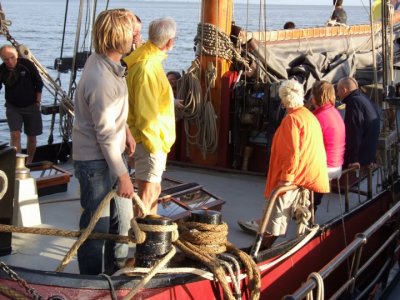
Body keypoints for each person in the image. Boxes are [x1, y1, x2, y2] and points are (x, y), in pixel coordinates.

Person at [72, 8, 136, 275]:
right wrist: (122, 175)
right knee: (96, 226)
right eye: (134, 32)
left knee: (122, 221)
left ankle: (115, 271)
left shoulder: (104, 64)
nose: (138, 37)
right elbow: (105, 134)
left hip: (110, 157)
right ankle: (89, 280)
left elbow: (112, 118)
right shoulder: (100, 79)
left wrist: (128, 132)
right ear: (120, 37)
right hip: (96, 163)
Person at [239, 79, 330, 249]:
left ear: (283, 99)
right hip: (304, 175)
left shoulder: (292, 120)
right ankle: (262, 247)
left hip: (291, 178)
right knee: (276, 219)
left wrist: (286, 180)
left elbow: (292, 153)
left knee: (275, 219)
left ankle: (259, 251)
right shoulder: (307, 116)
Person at [124, 17, 177, 216]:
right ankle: (143, 241)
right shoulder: (147, 67)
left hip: (153, 141)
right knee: (146, 195)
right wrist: (156, 147)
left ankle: (148, 236)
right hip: (150, 142)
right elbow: (147, 115)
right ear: (170, 42)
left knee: (153, 191)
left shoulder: (149, 61)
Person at [0, 45, 43, 164]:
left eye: (11, 57)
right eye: (5, 59)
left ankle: (28, 162)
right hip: (13, 106)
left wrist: (38, 101)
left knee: (32, 136)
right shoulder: (2, 70)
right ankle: (17, 165)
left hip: (31, 105)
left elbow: (39, 83)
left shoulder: (27, 65)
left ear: (17, 55)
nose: (9, 61)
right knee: (15, 135)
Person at [311, 80, 345, 210]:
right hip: (336, 165)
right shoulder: (334, 112)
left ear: (316, 97)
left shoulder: (319, 117)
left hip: (324, 168)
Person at [336, 77, 380, 169]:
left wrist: (353, 160)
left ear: (344, 90)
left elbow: (354, 132)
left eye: (338, 90)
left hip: (360, 159)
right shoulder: (364, 98)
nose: (337, 94)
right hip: (369, 155)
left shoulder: (353, 102)